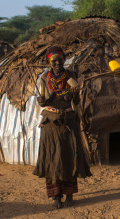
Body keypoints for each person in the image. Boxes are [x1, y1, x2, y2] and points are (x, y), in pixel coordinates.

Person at [33, 46, 91, 208]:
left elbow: (77, 102)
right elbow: (43, 101)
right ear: (49, 62)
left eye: (60, 60)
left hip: (68, 120)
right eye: (54, 61)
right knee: (53, 158)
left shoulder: (71, 76)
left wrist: (74, 94)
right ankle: (56, 195)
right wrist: (42, 101)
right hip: (50, 122)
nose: (58, 63)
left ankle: (69, 193)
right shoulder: (44, 78)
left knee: (69, 156)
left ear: (64, 60)